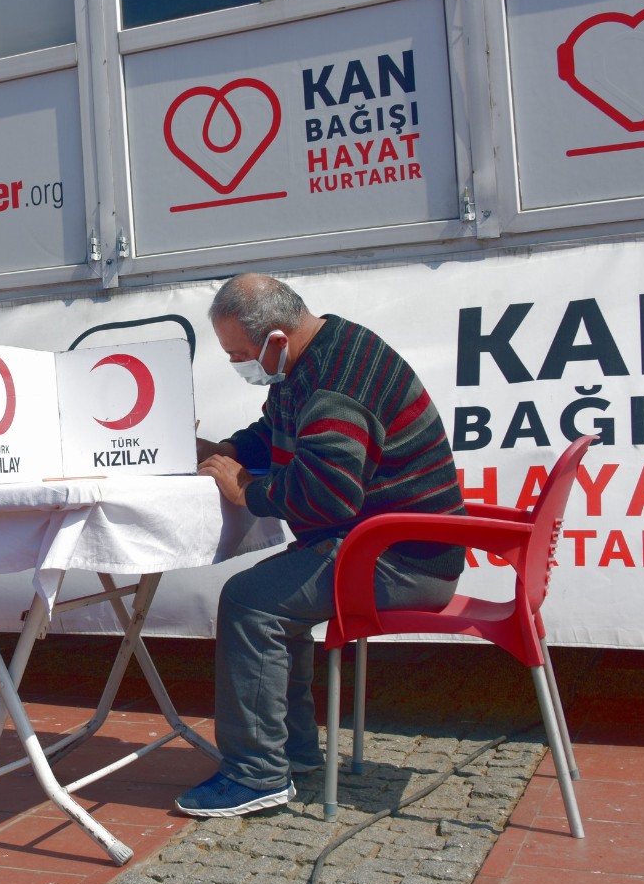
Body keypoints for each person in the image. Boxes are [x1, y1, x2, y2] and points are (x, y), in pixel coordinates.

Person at [176, 273, 464, 818]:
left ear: (276, 340)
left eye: (239, 355)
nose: (237, 364)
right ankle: (293, 751)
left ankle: (255, 775)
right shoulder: (311, 358)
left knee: (250, 601)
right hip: (384, 543)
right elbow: (274, 430)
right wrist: (225, 449)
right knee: (271, 593)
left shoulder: (336, 384)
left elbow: (327, 494)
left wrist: (246, 489)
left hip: (402, 559)